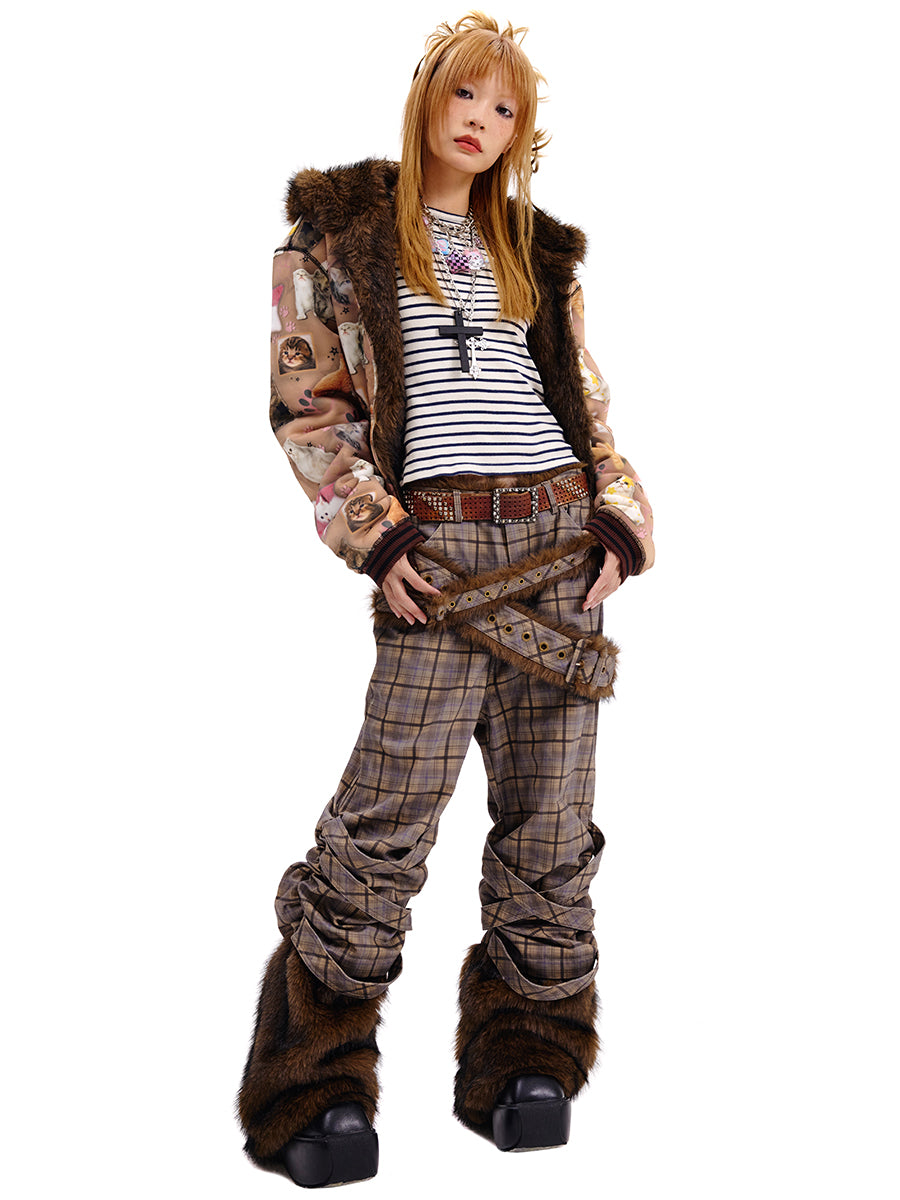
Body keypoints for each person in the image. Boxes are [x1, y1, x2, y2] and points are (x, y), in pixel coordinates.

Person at [237, 11, 655, 1188]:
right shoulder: (333, 244)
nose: (482, 120)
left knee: (551, 824)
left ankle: (528, 1062)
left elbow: (587, 408)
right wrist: (376, 536)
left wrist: (621, 517)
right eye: (466, 95)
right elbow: (312, 412)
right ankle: (313, 1083)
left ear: (523, 131)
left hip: (560, 549)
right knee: (386, 819)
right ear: (427, 97)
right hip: (438, 556)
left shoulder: (537, 254)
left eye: (506, 107)